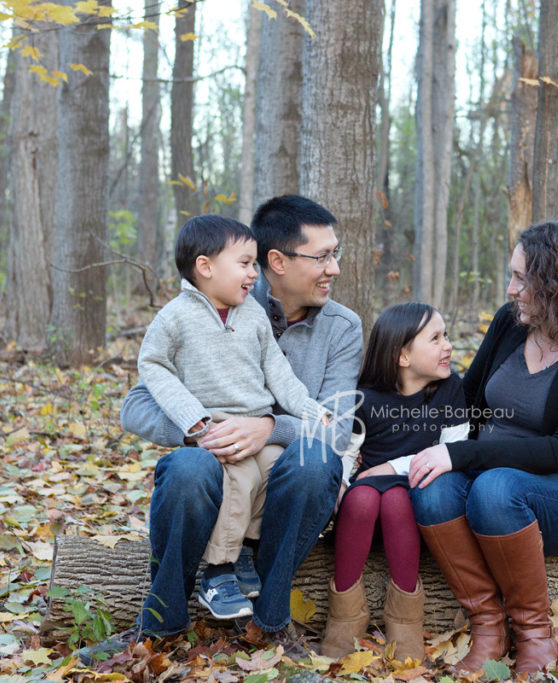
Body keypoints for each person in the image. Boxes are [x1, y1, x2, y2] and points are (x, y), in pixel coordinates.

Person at [79, 195, 361, 664]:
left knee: (318, 462)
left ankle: (272, 623)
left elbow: (335, 427)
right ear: (277, 261)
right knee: (188, 467)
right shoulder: (206, 308)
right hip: (211, 464)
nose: (334, 268)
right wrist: (205, 432)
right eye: (323, 256)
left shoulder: (342, 327)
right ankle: (159, 623)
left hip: (283, 481)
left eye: (337, 253)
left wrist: (267, 427)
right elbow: (136, 405)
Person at [406, 220, 558, 676]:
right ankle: (488, 627)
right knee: (430, 489)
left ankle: (535, 635)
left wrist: (461, 457)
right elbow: (468, 403)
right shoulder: (511, 324)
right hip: (485, 482)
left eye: (522, 279)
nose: (511, 289)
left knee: (496, 489)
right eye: (512, 276)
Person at [136, 214, 330, 621]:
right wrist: (192, 420)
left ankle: (244, 553)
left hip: (260, 423)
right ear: (205, 267)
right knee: (236, 473)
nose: (253, 275)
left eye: (255, 264)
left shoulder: (253, 316)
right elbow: (152, 366)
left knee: (279, 470)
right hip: (216, 423)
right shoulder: (176, 317)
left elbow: (277, 370)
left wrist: (306, 408)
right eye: (243, 263)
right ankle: (218, 572)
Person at [321, 303, 468, 663]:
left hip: (411, 511)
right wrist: (339, 483)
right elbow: (344, 451)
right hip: (363, 518)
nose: (448, 345)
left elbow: (456, 451)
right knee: (364, 498)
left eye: (446, 335)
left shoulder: (450, 391)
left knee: (396, 500)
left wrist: (390, 467)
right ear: (402, 355)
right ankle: (345, 616)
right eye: (435, 338)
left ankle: (404, 620)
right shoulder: (367, 398)